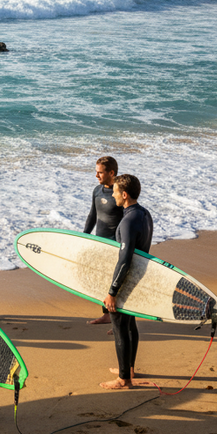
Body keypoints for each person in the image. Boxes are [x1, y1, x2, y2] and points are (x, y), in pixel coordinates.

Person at [100, 174, 154, 390]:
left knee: (120, 326)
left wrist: (113, 291)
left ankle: (124, 379)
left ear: (124, 194)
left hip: (126, 279)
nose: (112, 196)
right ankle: (128, 368)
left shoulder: (128, 221)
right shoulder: (144, 214)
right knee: (130, 324)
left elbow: (124, 259)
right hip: (138, 277)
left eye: (114, 192)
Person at [84, 156, 120, 326]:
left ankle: (119, 321)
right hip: (100, 242)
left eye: (100, 172)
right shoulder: (97, 190)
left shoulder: (120, 191)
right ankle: (106, 315)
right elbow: (92, 216)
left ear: (111, 173)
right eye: (96, 172)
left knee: (116, 283)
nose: (96, 176)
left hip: (115, 244)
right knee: (101, 280)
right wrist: (84, 236)